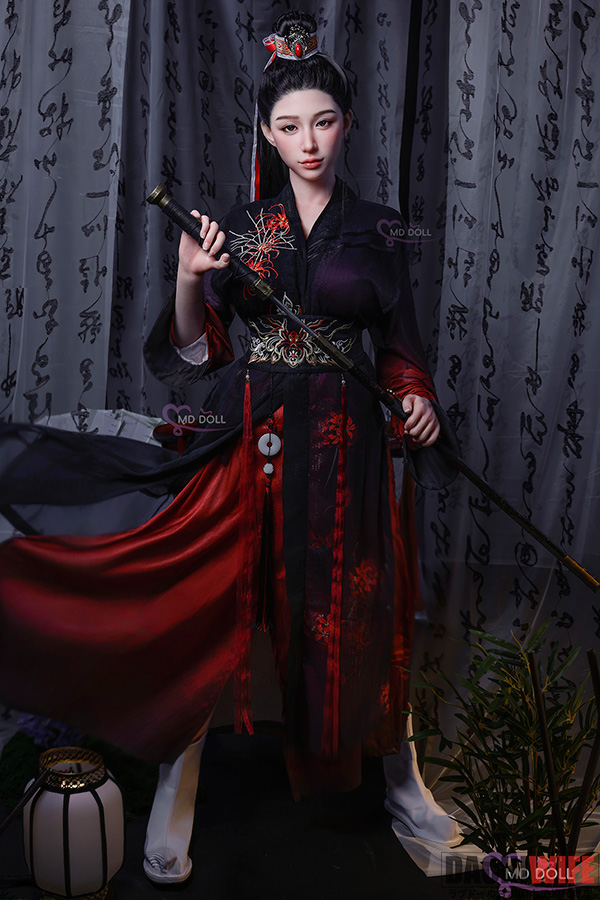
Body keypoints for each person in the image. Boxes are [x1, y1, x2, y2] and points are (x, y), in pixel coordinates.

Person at [0, 11, 460, 885]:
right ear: (267, 133)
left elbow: (401, 345)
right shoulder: (240, 227)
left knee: (368, 607)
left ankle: (403, 781)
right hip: (254, 435)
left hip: (350, 445)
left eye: (324, 121)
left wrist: (415, 397)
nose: (308, 142)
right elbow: (197, 352)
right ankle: (179, 782)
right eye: (289, 126)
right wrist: (188, 276)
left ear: (348, 123)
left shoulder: (388, 226)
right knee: (219, 607)